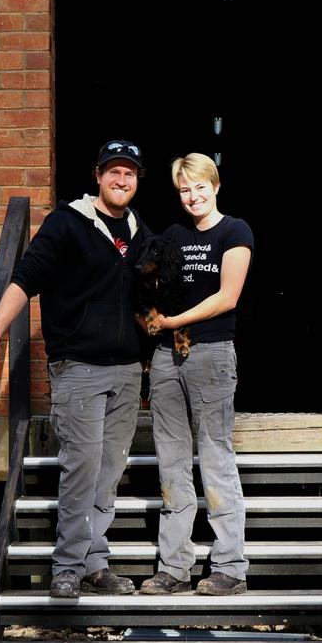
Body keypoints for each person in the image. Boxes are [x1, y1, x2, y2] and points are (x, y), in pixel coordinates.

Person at [0, 140, 150, 598]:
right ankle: (66, 567)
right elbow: (25, 278)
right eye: (114, 172)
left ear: (137, 181)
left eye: (129, 174)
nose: (121, 180)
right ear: (98, 175)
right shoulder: (67, 223)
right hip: (81, 369)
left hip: (127, 370)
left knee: (109, 472)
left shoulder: (138, 230)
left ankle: (94, 564)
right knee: (81, 469)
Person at [139, 153, 254, 596]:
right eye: (185, 189)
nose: (193, 196)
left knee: (215, 456)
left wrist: (171, 322)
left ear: (216, 185)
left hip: (211, 353)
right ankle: (173, 566)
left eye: (200, 186)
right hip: (167, 359)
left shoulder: (234, 231)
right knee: (171, 462)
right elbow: (147, 282)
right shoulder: (172, 235)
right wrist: (153, 320)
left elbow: (227, 297)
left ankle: (230, 567)